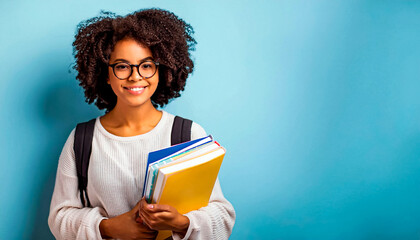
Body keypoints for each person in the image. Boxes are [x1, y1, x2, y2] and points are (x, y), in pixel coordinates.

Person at [48, 8, 235, 240]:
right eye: (122, 66)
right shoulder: (81, 140)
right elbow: (59, 217)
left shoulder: (187, 134)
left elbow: (222, 215)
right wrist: (108, 227)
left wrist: (182, 223)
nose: (135, 76)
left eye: (146, 65)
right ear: (106, 74)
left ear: (161, 70)